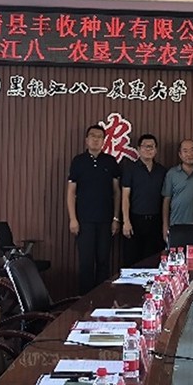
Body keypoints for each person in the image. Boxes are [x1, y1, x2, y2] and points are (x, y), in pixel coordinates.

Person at [66, 124, 121, 295]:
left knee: (104, 262)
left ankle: (101, 299)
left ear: (104, 141)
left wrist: (116, 218)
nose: (96, 139)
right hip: (84, 220)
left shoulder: (110, 161)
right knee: (86, 263)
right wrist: (73, 219)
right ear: (86, 140)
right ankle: (84, 301)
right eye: (93, 136)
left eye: (99, 137)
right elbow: (71, 192)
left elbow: (117, 192)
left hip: (106, 220)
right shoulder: (78, 161)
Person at [121, 133, 167, 266]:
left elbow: (165, 198)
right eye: (145, 146)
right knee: (132, 260)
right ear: (138, 149)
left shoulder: (162, 171)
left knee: (153, 260)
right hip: (135, 220)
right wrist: (126, 221)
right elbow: (125, 196)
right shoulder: (130, 169)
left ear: (156, 150)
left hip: (155, 221)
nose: (148, 149)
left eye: (151, 146)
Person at [162, 139, 193, 248]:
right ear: (180, 154)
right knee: (178, 256)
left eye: (192, 150)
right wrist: (165, 225)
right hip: (177, 224)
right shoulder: (172, 173)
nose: (189, 154)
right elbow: (166, 200)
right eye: (185, 151)